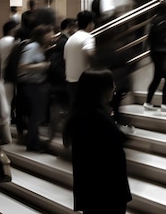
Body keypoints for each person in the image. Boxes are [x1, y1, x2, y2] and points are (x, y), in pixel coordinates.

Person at [63, 69, 132, 214]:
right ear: (101, 89)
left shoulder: (79, 113)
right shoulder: (97, 116)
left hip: (90, 188)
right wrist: (123, 133)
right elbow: (113, 142)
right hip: (106, 189)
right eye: (112, 86)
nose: (114, 89)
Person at [18, 25, 53, 152]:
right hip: (32, 84)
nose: (52, 36)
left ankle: (33, 140)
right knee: (36, 115)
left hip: (39, 84)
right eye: (49, 33)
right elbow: (23, 66)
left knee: (38, 115)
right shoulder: (31, 47)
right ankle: (33, 143)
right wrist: (42, 66)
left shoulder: (41, 47)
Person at [45, 18, 77, 143]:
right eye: (75, 27)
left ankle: (51, 137)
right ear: (69, 26)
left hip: (54, 81)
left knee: (57, 110)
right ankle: (66, 139)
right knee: (67, 111)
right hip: (62, 81)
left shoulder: (57, 41)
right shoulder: (65, 42)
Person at [64, 11, 96, 109]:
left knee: (75, 109)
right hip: (83, 81)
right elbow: (89, 53)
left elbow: (65, 58)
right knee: (86, 109)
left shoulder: (70, 39)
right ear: (90, 23)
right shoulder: (88, 37)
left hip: (70, 80)